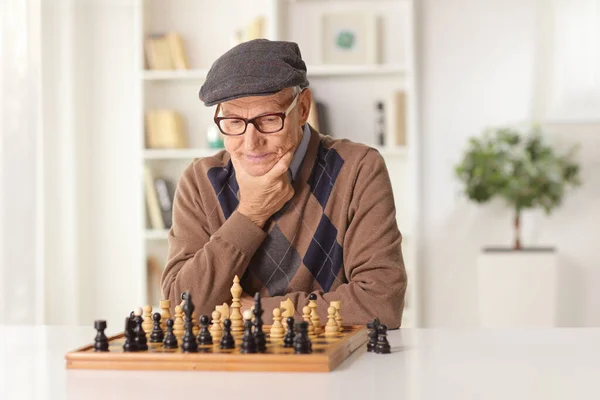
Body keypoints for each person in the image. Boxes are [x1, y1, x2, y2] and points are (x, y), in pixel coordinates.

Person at [160, 39, 407, 329]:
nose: (251, 142)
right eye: (234, 122)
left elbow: (381, 303)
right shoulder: (200, 180)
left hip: (335, 368)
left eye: (268, 119)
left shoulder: (358, 169)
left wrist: (257, 313)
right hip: (229, 368)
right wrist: (250, 214)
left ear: (302, 108)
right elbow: (180, 307)